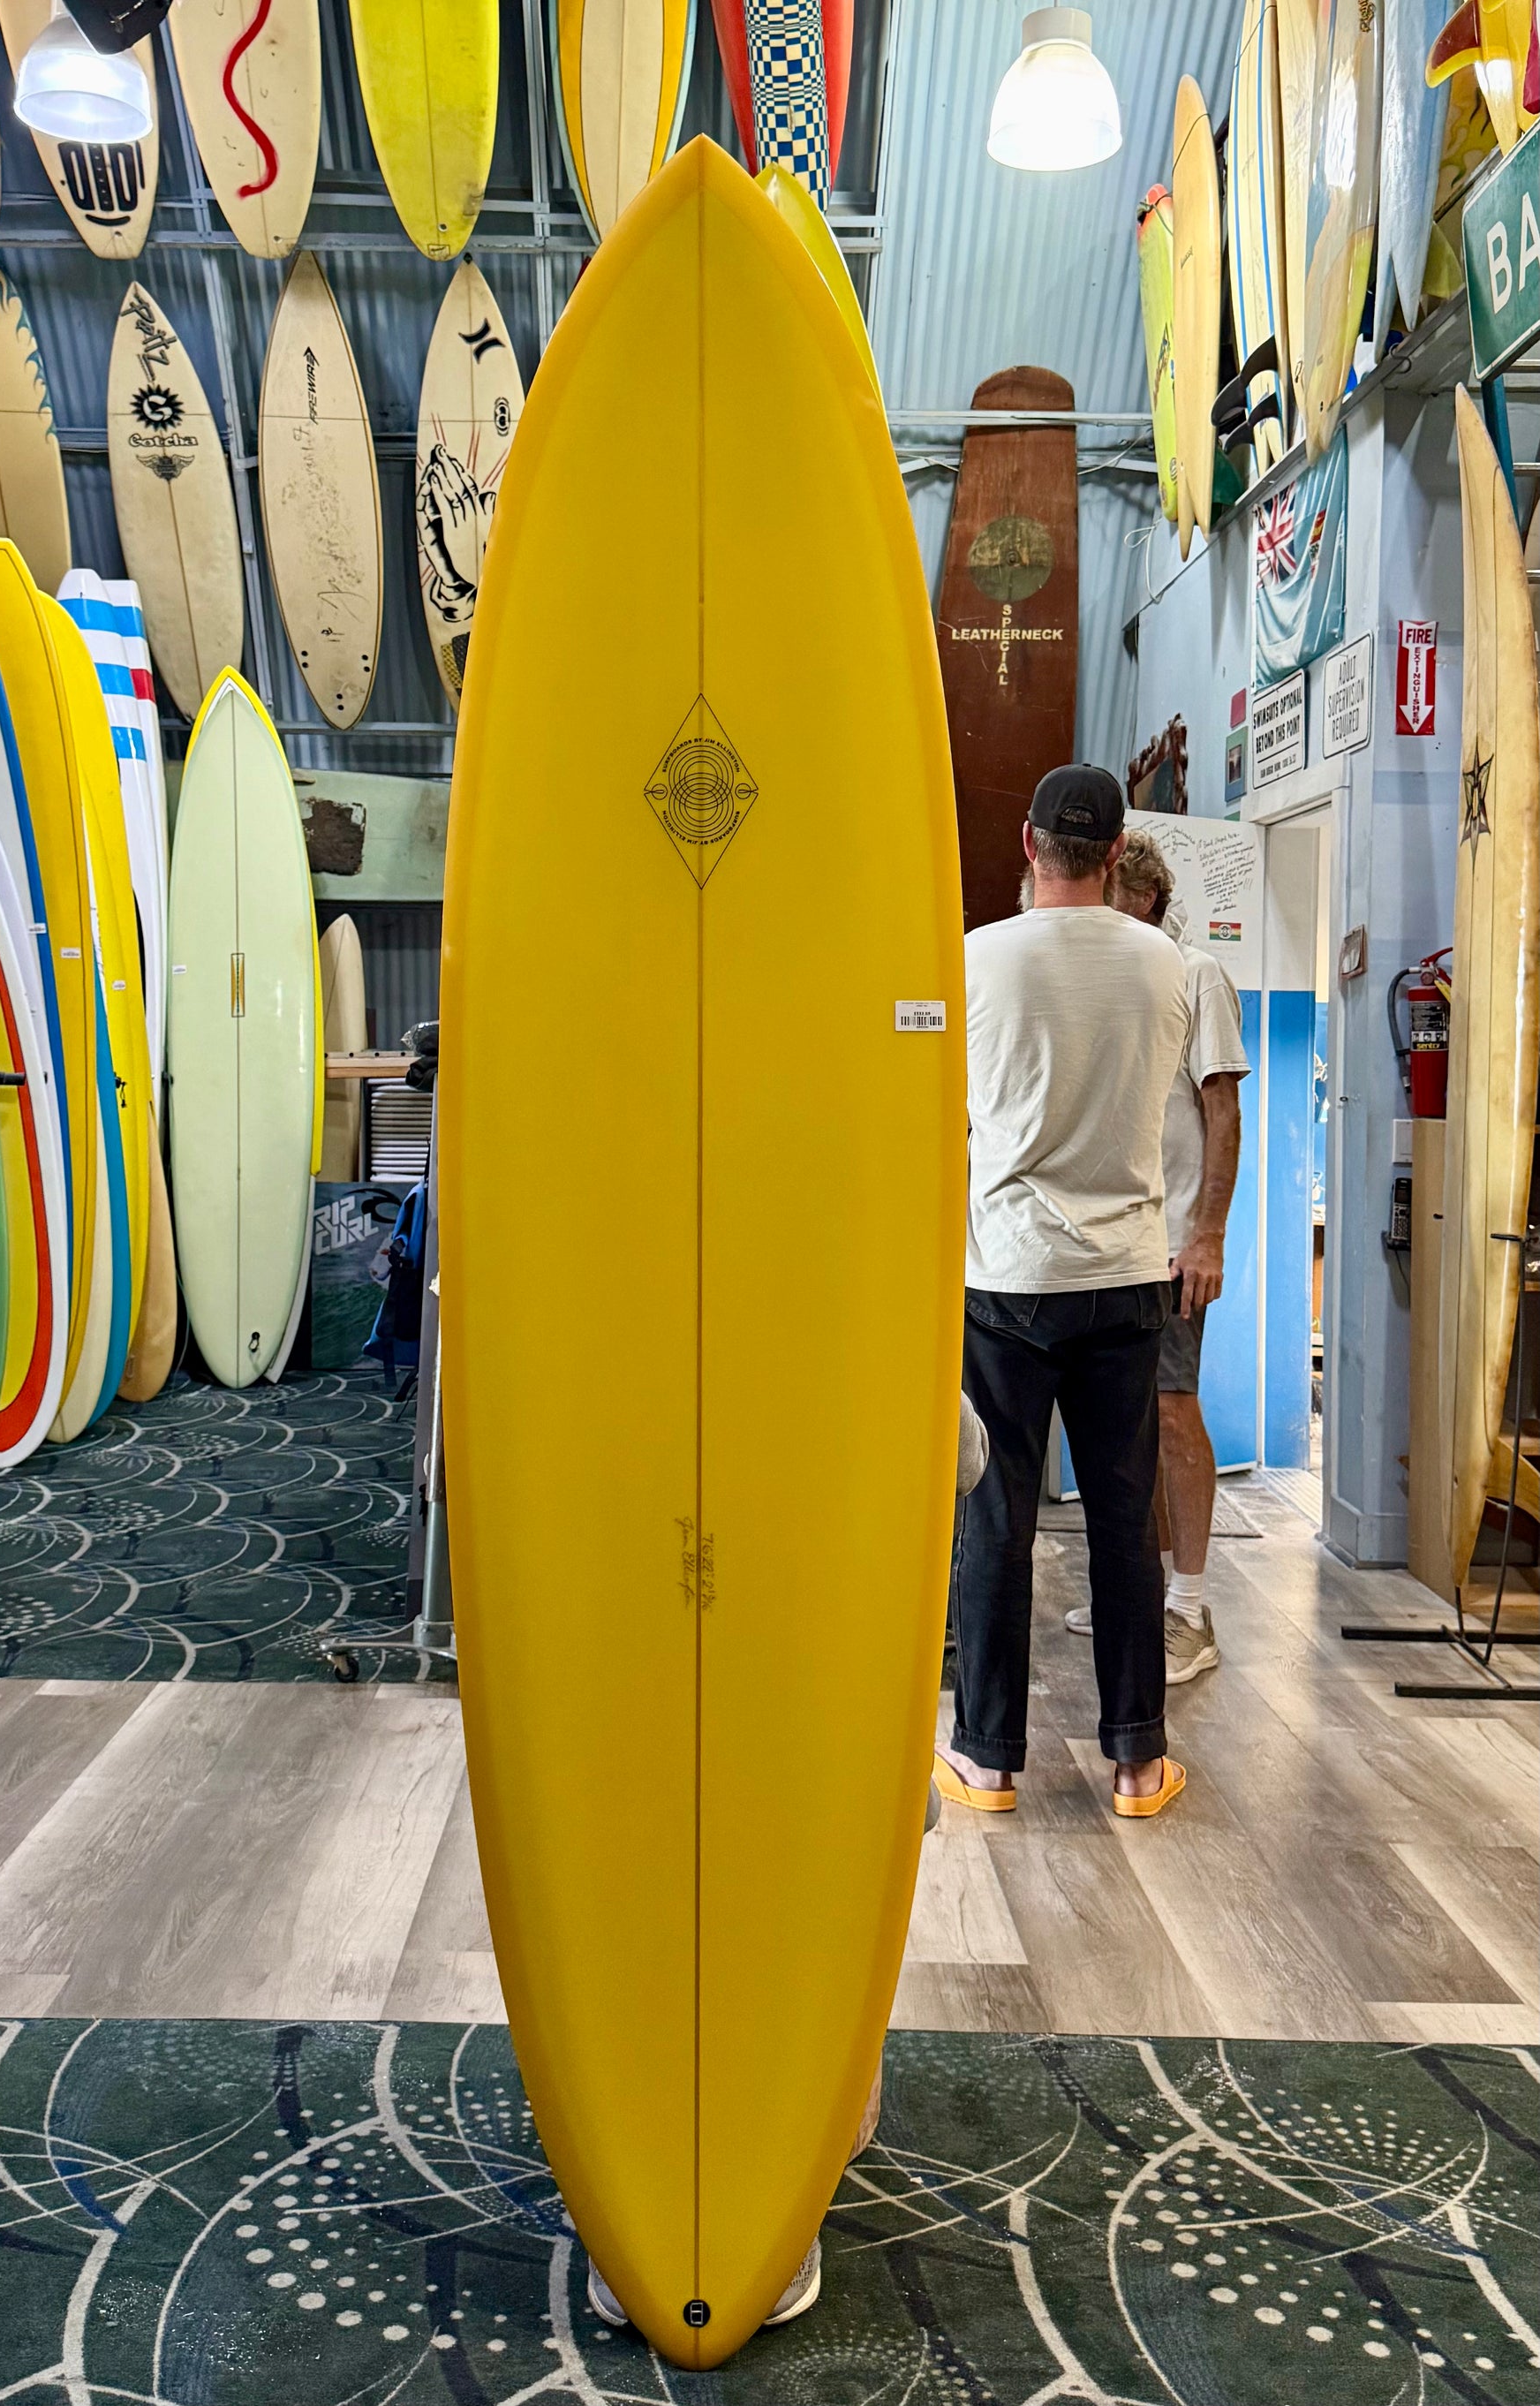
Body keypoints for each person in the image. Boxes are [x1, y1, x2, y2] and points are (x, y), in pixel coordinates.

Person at [588, 1393, 990, 2336]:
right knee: (643, 1882)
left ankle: (786, 2154)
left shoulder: (848, 1291)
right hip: (646, 1670)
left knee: (787, 1888)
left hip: (802, 1695)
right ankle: (633, 2187)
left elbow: (956, 1453)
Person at [936, 765, 1189, 1819]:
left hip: (1005, 1275)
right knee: (1124, 1522)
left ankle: (989, 1761)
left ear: (1029, 844)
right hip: (1127, 1271)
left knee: (995, 1516)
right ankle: (1136, 1763)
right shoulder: (1165, 964)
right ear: (1115, 846)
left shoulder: (973, 962)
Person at [1063, 830, 1249, 1683]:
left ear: (1142, 897)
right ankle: (1138, 1598)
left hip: (1175, 1243)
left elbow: (1222, 1110)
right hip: (1121, 1244)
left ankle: (1188, 1609)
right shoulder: (1122, 979)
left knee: (1174, 1412)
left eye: (1111, 900)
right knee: (1127, 1423)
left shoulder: (1195, 973)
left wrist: (1207, 1232)